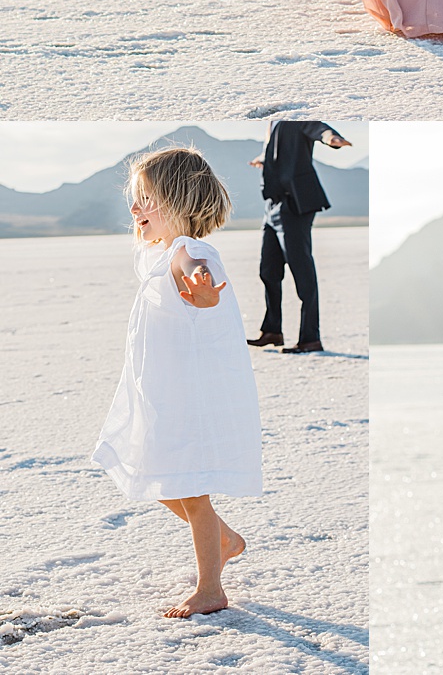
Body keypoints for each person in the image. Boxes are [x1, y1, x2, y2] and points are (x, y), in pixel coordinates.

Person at [93, 145, 261, 619]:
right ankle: (225, 539)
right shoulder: (157, 252)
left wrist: (203, 290)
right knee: (155, 470)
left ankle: (211, 586)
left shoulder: (190, 250)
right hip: (160, 388)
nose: (135, 210)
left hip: (189, 393)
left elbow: (192, 271)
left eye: (146, 199)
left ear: (179, 200)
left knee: (189, 485)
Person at [247, 118, 353, 355]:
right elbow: (277, 153)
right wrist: (262, 159)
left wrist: (331, 139)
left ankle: (310, 338)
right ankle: (272, 331)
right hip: (272, 206)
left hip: (295, 205)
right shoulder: (273, 122)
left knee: (302, 271)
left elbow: (317, 128)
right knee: (269, 271)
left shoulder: (294, 117)